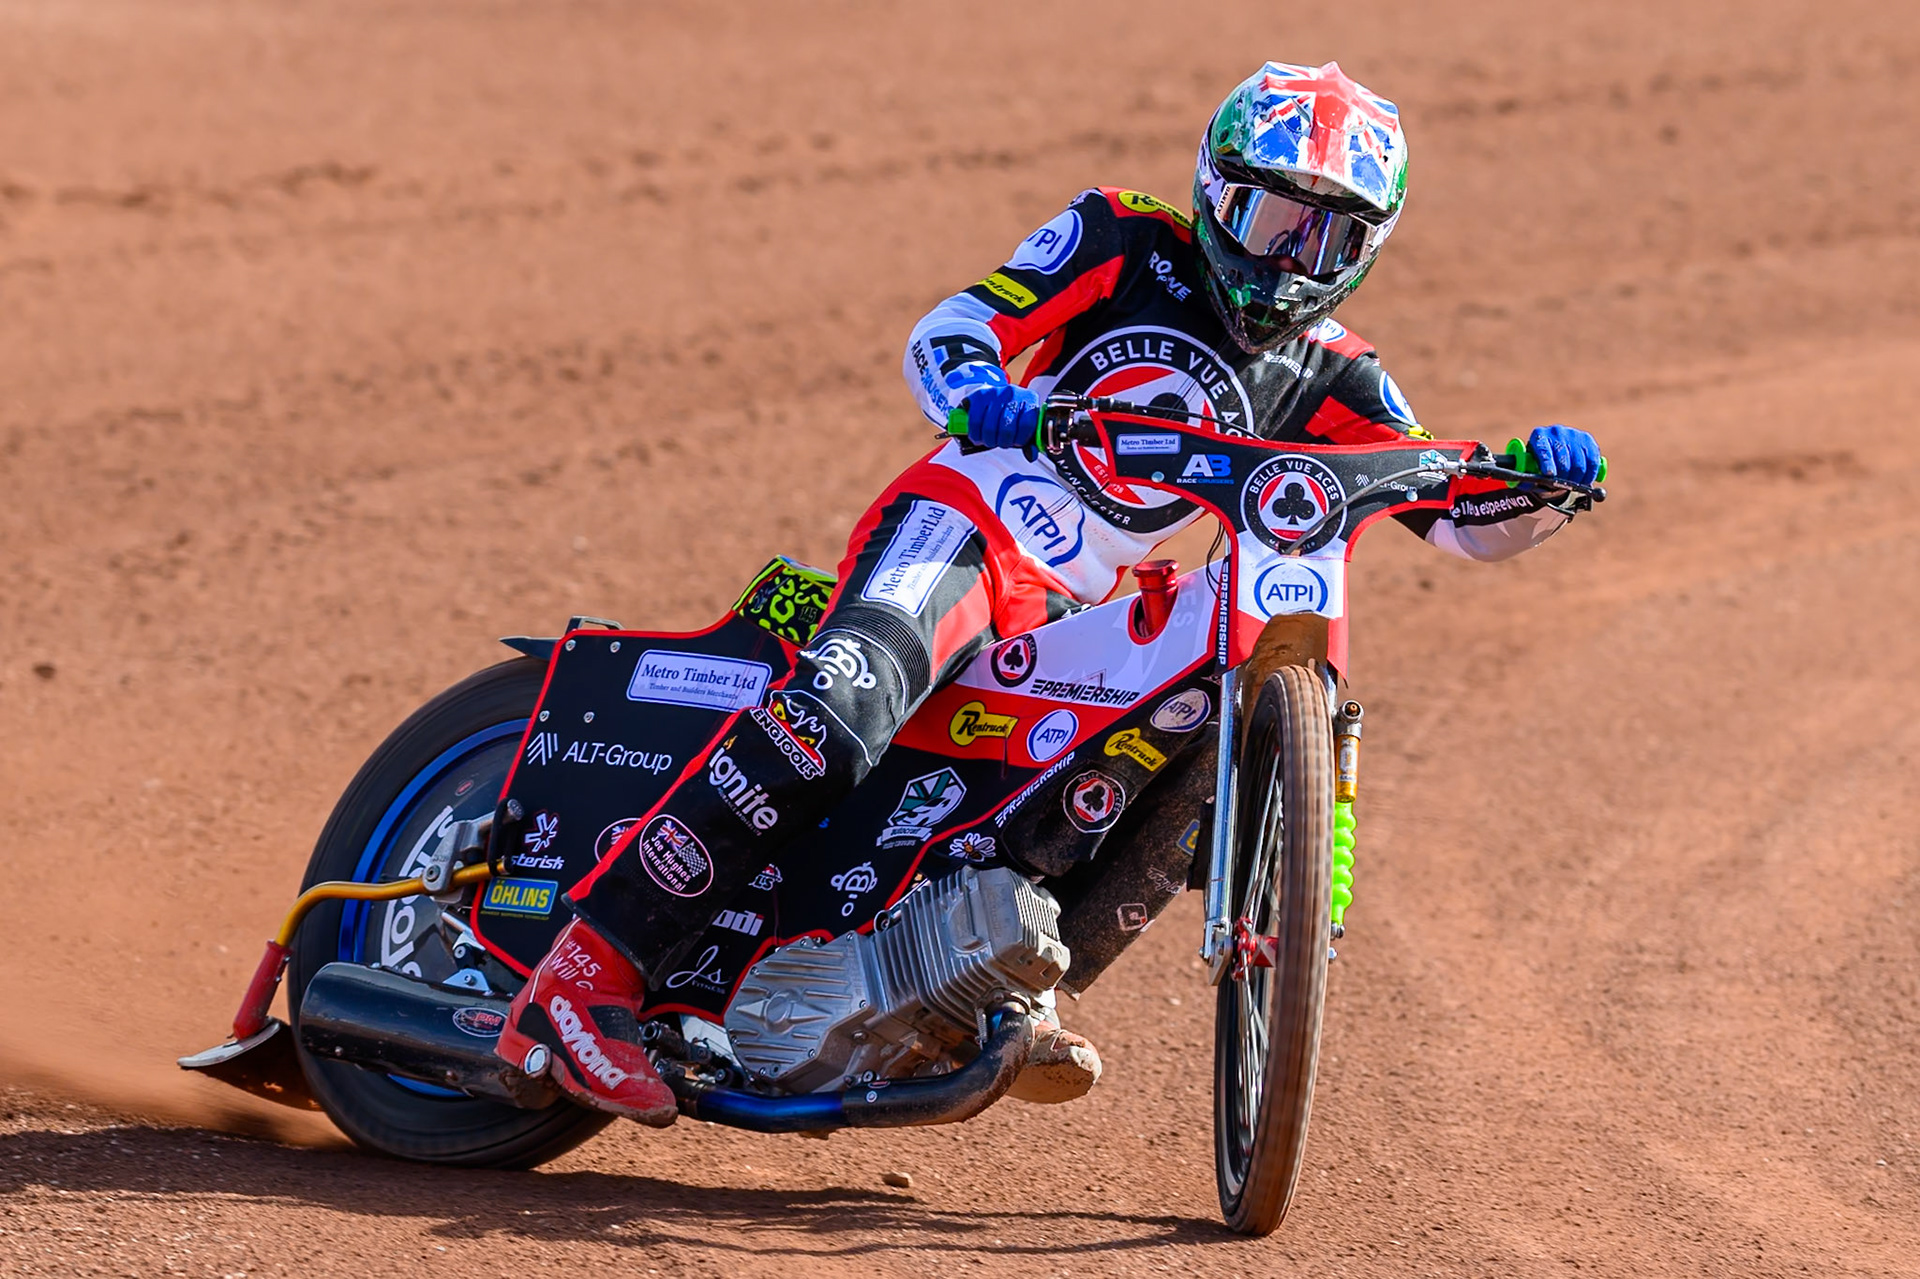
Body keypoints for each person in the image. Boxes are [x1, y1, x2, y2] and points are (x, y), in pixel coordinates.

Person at [494, 60, 1605, 1123]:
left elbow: (1454, 519)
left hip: (1080, 616)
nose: (1291, 259)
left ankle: (993, 976)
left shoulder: (1335, 371)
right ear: (1218, 192)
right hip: (972, 529)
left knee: (1193, 730)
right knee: (844, 707)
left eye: (1329, 236)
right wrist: (981, 389)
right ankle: (588, 970)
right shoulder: (1123, 237)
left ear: (1370, 249)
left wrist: (1538, 485)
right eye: (1274, 220)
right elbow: (958, 325)